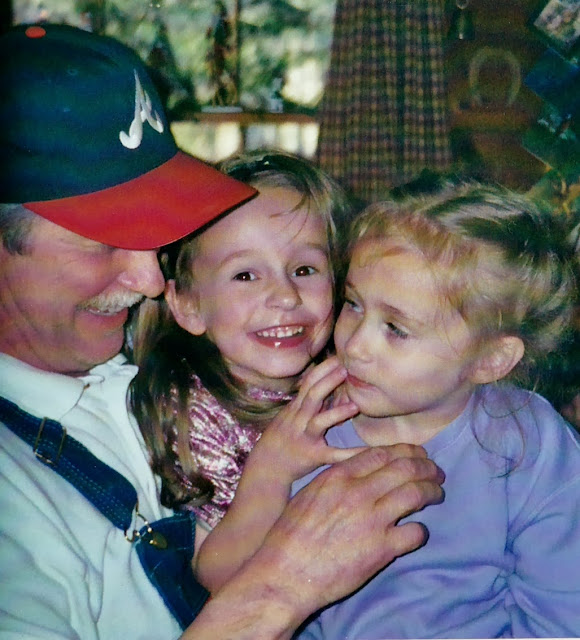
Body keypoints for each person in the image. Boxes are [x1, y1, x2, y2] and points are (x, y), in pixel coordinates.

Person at [0, 23, 445, 640]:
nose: (149, 280)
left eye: (153, 231)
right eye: (102, 243)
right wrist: (285, 584)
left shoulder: (126, 349)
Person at [287, 181, 580, 638]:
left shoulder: (532, 444)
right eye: (353, 304)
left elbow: (561, 612)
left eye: (396, 328)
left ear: (490, 360)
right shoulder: (312, 430)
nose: (355, 345)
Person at [130, 150, 363, 587]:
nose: (286, 296)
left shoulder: (344, 376)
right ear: (188, 305)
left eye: (305, 269)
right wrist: (272, 470)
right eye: (245, 276)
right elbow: (216, 578)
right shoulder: (193, 411)